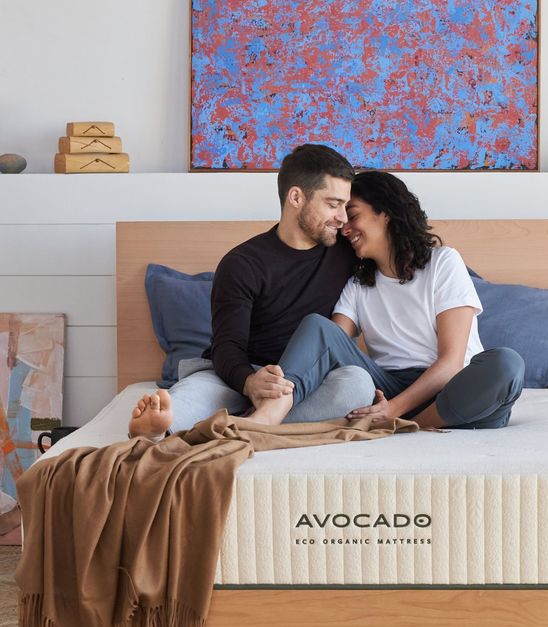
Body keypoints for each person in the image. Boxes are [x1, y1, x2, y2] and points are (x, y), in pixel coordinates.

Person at [128, 144, 375, 438]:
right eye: (332, 204)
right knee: (191, 394)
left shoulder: (347, 251)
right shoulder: (242, 263)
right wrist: (250, 382)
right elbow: (227, 345)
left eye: (345, 207)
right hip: (236, 375)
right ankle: (160, 426)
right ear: (296, 197)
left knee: (357, 383)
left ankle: (246, 424)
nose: (343, 219)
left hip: (307, 381)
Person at [247, 171, 525, 429]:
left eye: (352, 215)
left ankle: (408, 425)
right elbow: (331, 344)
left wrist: (393, 411)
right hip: (390, 386)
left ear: (386, 213)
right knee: (317, 327)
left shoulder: (443, 262)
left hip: (456, 390)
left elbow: (451, 363)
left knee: (506, 364)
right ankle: (268, 416)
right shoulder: (358, 284)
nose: (345, 227)